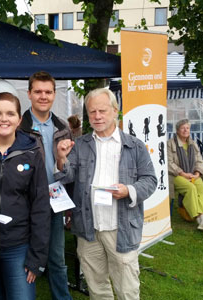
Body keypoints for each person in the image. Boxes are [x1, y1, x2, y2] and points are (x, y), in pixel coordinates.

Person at [55, 88, 157, 300]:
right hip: (88, 228)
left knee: (127, 290)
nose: (98, 116)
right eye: (92, 112)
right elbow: (67, 176)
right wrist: (61, 158)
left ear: (115, 111)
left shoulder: (134, 146)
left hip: (121, 228)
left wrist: (128, 190)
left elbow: (150, 180)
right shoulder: (80, 145)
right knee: (97, 288)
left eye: (102, 110)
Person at [0, 92, 50, 300]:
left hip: (19, 247)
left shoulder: (32, 152)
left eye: (10, 113)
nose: (3, 119)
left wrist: (37, 256)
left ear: (18, 119)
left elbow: (41, 206)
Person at [19, 71, 73, 300]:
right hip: (25, 201)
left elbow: (69, 170)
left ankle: (62, 297)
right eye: (38, 91)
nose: (43, 96)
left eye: (48, 92)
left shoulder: (63, 126)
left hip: (55, 200)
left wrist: (61, 160)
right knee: (23, 254)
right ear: (29, 94)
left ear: (53, 94)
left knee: (57, 257)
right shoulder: (18, 126)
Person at [167, 119, 203, 231]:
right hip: (176, 175)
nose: (186, 130)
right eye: (183, 128)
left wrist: (197, 173)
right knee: (191, 188)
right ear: (177, 130)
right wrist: (183, 174)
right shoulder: (170, 144)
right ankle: (201, 220)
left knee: (202, 188)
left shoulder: (192, 143)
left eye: (188, 128)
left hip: (192, 174)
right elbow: (169, 163)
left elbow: (199, 160)